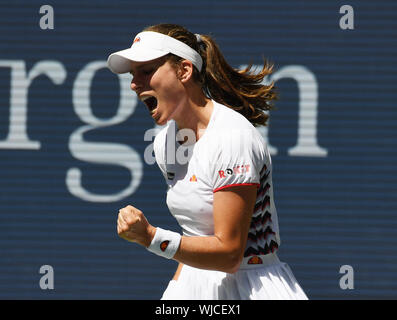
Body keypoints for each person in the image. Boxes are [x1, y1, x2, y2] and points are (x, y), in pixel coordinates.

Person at [107, 23, 308, 300]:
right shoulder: (164, 142)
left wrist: (151, 237)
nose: (133, 84)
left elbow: (229, 254)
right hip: (194, 282)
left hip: (255, 285)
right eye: (132, 74)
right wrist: (174, 293)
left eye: (146, 71)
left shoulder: (232, 138)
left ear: (184, 71)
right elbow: (195, 232)